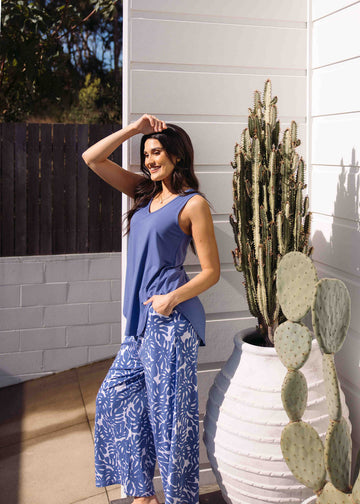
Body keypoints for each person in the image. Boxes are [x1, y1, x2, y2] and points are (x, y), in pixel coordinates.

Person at [82, 114, 220, 504]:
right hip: (140, 326)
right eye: (146, 154)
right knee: (115, 399)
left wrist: (171, 299)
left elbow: (211, 272)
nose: (150, 160)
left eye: (157, 152)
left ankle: (178, 499)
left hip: (171, 323)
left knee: (171, 424)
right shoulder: (144, 193)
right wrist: (134, 130)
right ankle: (142, 495)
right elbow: (91, 158)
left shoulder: (193, 204)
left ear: (177, 156)